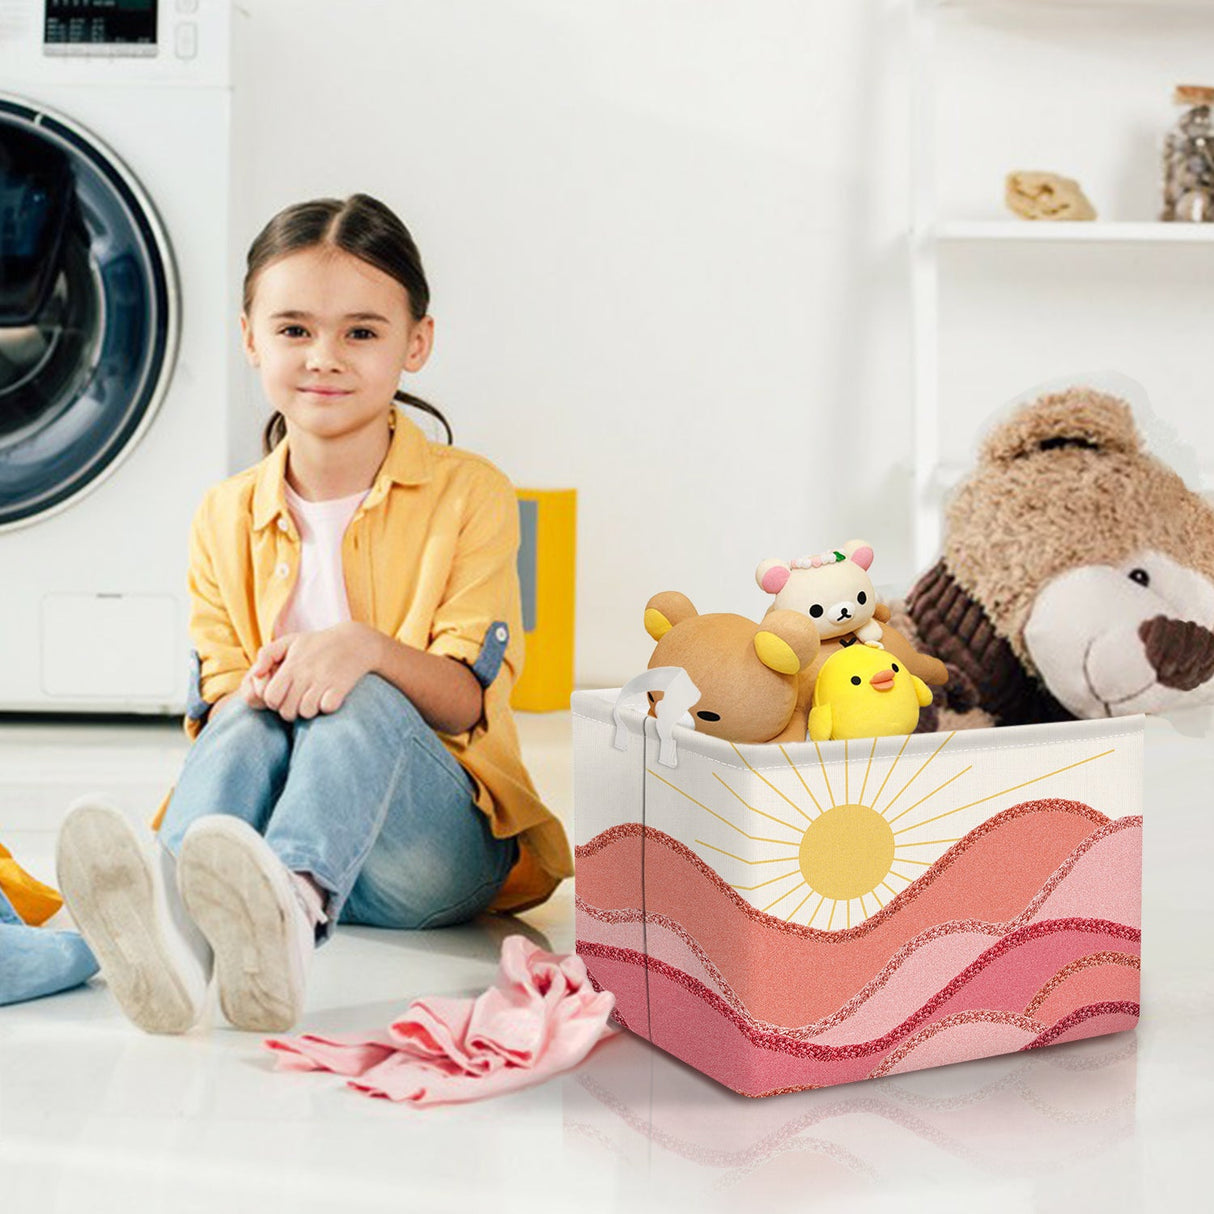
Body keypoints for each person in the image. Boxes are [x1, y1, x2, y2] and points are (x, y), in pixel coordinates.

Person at [55, 194, 573, 1035]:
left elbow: (469, 702)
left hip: (430, 857)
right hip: (258, 842)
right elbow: (217, 716)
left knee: (359, 689)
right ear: (251, 337)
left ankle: (287, 915)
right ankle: (180, 924)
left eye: (361, 333)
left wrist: (358, 650)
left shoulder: (469, 493)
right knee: (249, 717)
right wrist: (262, 687)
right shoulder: (222, 515)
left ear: (416, 343)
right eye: (294, 330)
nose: (324, 356)